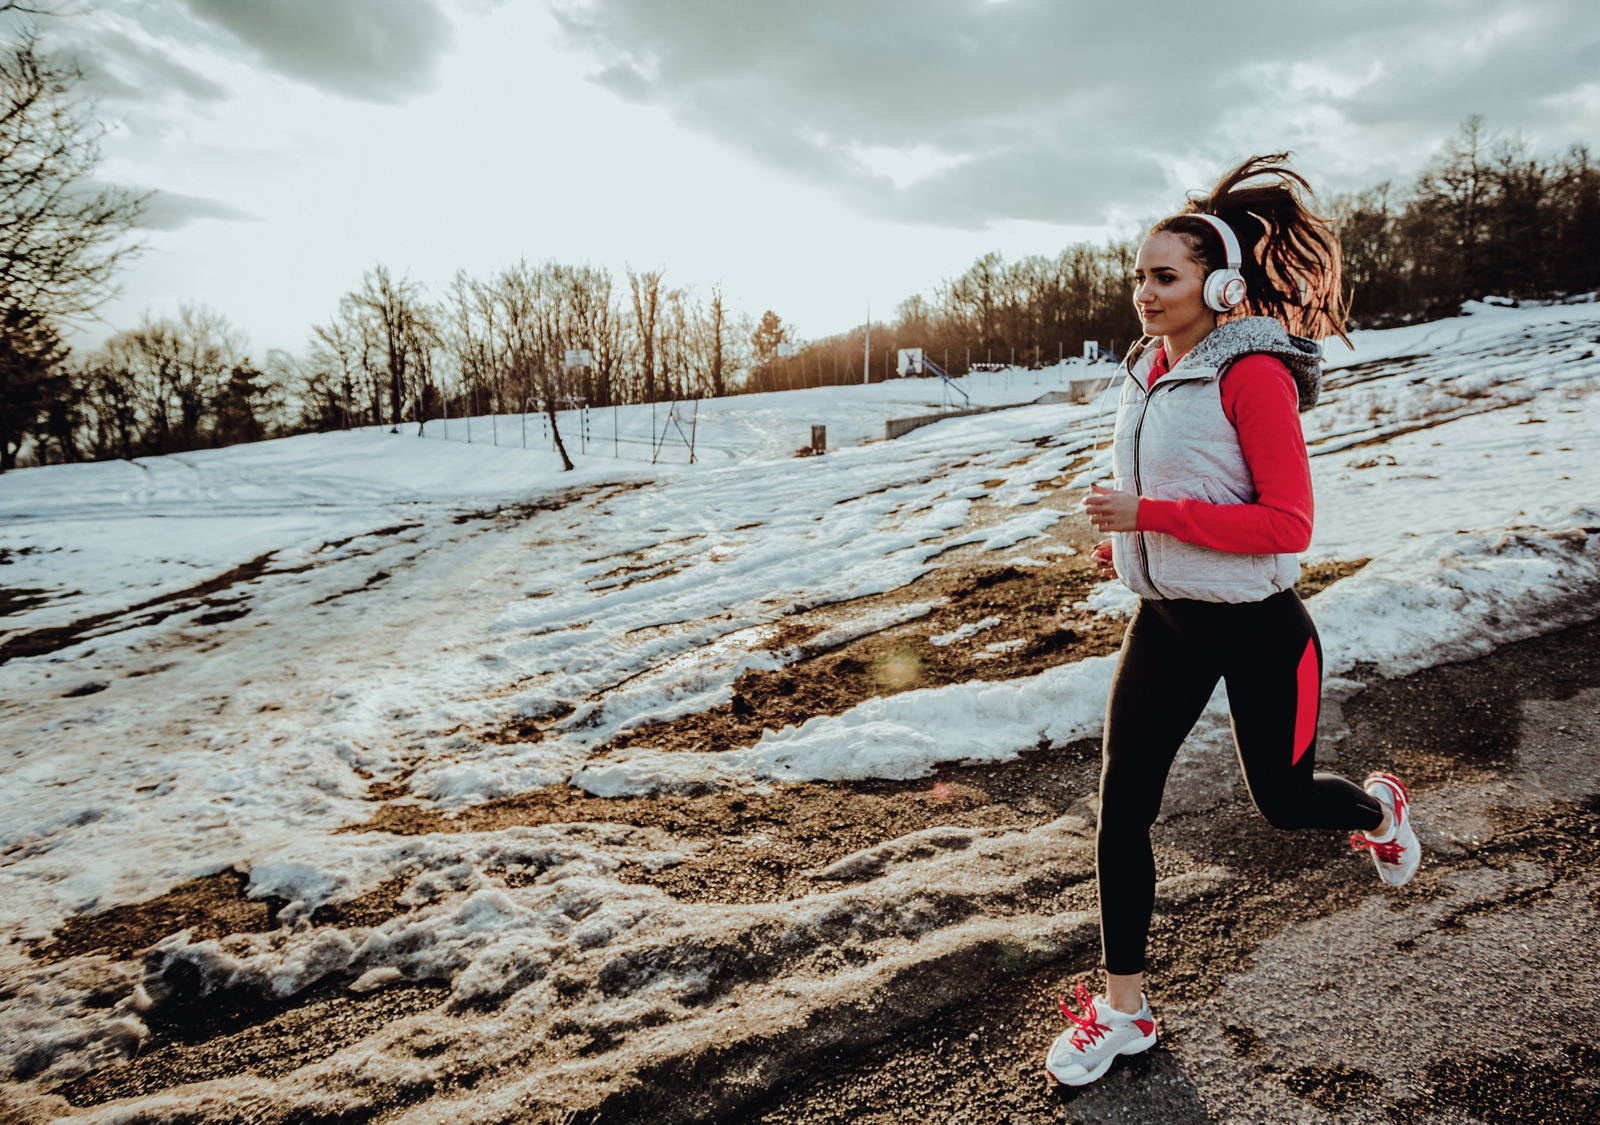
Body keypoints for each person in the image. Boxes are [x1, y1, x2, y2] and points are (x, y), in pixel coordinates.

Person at [1043, 154, 1422, 1088]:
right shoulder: (1146, 372)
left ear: (1219, 285)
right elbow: (1180, 489)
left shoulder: (1251, 375)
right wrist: (1131, 550)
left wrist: (1152, 519)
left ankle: (1380, 810)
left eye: (1163, 276)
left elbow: (1287, 525)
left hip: (1260, 627)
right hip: (1167, 620)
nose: (1143, 293)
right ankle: (1123, 1009)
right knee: (1121, 804)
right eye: (1137, 275)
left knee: (1284, 801)